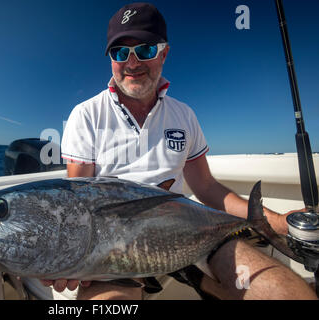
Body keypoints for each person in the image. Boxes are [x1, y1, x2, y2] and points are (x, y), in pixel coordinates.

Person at [38, 2, 317, 300]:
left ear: (164, 53)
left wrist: (274, 221)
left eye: (144, 50)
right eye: (120, 53)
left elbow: (208, 188)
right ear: (110, 60)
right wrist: (68, 258)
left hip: (190, 234)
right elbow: (78, 206)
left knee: (283, 294)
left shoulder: (184, 115)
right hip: (112, 250)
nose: (132, 63)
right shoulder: (86, 115)